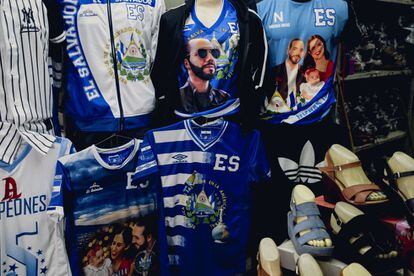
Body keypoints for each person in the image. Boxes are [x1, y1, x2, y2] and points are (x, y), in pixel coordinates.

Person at [179, 38, 230, 114]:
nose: (210, 58)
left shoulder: (223, 97)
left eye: (214, 53)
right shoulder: (178, 98)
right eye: (202, 53)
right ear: (187, 63)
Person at [271, 38, 305, 108]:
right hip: (278, 109)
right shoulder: (275, 70)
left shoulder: (305, 72)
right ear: (288, 50)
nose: (298, 53)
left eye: (301, 50)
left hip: (300, 110)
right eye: (295, 49)